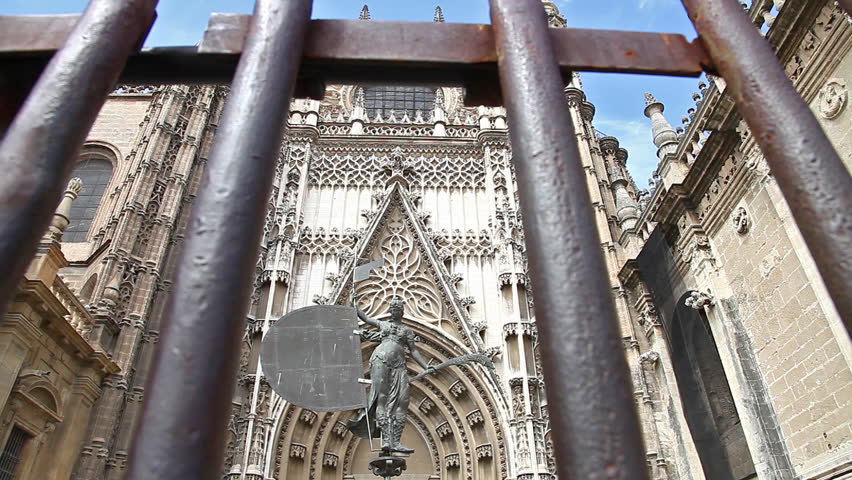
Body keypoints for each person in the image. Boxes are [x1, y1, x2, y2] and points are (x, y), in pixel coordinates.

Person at [347, 295, 433, 454]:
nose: (394, 311)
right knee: (382, 399)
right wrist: (354, 304)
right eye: (392, 308)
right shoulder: (383, 324)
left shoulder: (407, 331)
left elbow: (413, 350)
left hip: (399, 366)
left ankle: (396, 441)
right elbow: (365, 318)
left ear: (402, 312)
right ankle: (386, 440)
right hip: (380, 360)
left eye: (397, 309)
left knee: (403, 401)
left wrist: (426, 365)